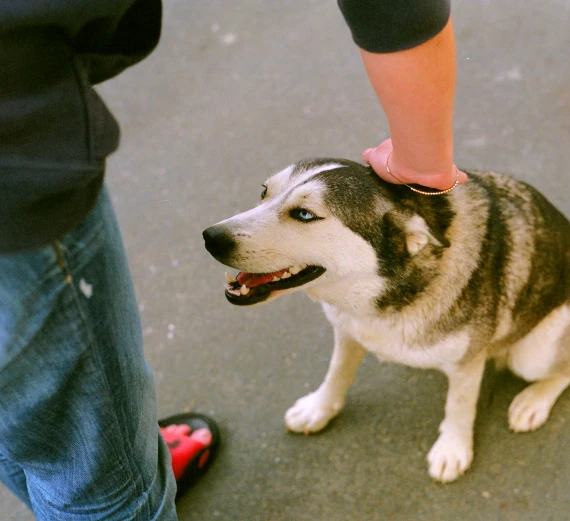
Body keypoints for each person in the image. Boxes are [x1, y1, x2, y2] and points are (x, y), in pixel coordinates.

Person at [0, 1, 463, 518]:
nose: (232, 228)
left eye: (303, 216)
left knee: (25, 412)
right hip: (19, 177)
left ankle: (106, 473)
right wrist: (423, 157)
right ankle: (120, 480)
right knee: (102, 482)